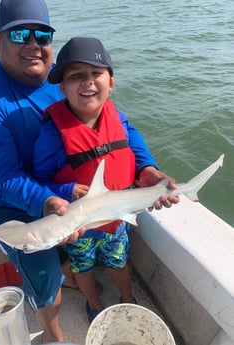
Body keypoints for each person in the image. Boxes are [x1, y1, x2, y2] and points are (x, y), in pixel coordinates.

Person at [0, 0, 85, 342]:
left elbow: (110, 122)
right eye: (20, 34)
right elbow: (5, 179)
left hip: (50, 185)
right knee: (42, 271)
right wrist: (50, 205)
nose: (33, 44)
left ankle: (65, 270)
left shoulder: (66, 80)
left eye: (42, 34)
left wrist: (144, 166)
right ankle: (54, 335)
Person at [32, 37, 179, 323]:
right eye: (76, 76)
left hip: (116, 220)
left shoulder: (120, 119)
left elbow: (138, 155)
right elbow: (39, 182)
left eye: (95, 73)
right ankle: (94, 304)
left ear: (111, 82)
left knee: (120, 262)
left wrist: (152, 173)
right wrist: (67, 189)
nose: (87, 82)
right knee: (82, 269)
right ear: (62, 88)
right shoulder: (52, 134)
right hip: (79, 228)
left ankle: (128, 299)